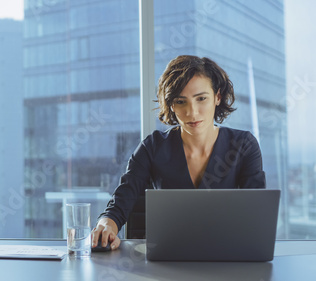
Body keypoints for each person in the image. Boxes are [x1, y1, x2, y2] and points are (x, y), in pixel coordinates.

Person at [91, 55, 266, 251]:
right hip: (166, 261)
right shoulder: (152, 147)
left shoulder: (244, 145)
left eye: (201, 99)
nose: (192, 112)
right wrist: (106, 224)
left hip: (228, 256)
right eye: (181, 102)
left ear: (217, 97)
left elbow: (257, 215)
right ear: (171, 105)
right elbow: (121, 202)